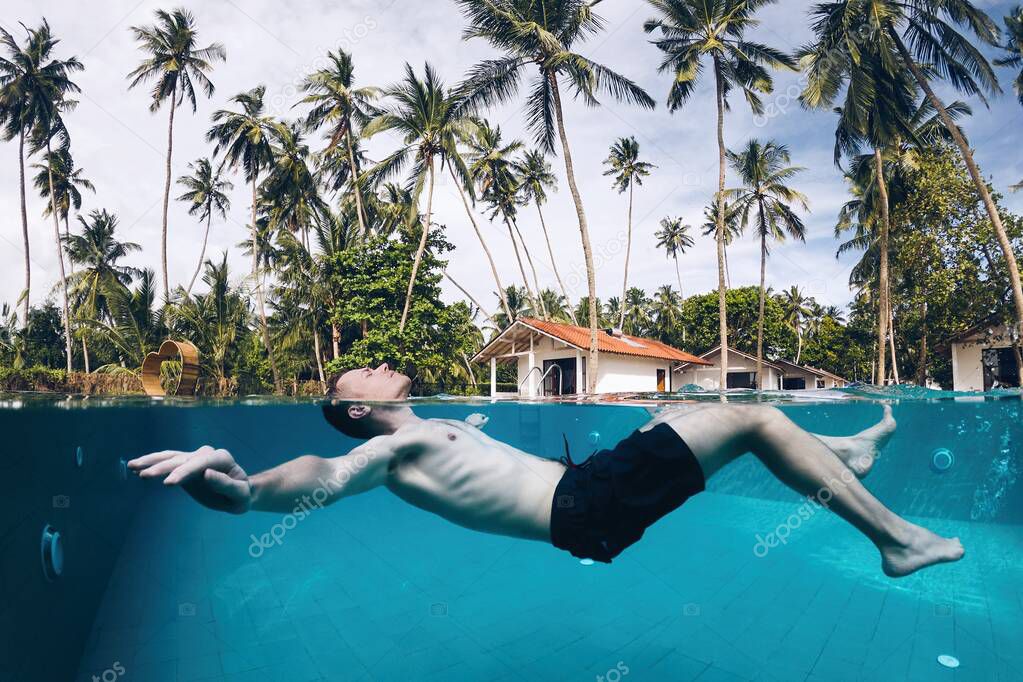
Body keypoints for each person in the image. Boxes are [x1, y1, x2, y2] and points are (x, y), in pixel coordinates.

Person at [128, 364, 964, 577]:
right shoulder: (387, 446)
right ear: (354, 409)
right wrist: (225, 476)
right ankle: (895, 540)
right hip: (582, 508)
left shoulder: (445, 425)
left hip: (584, 491)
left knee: (680, 419)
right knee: (745, 416)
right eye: (364, 376)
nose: (381, 368)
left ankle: (837, 457)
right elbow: (302, 480)